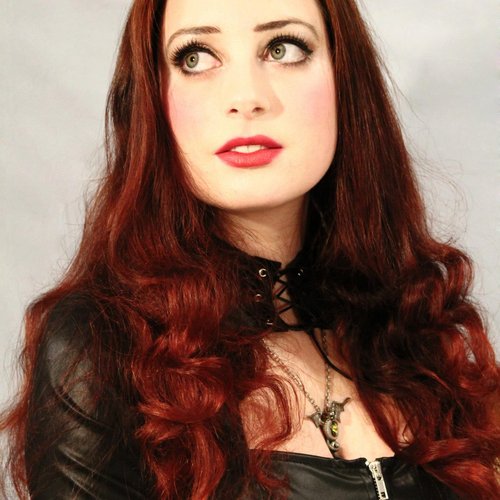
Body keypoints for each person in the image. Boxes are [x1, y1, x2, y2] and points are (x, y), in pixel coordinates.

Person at [1, 0, 499, 498]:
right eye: (195, 57)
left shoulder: (422, 334)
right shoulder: (103, 344)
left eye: (283, 48)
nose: (246, 97)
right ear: (151, 100)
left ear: (345, 79)